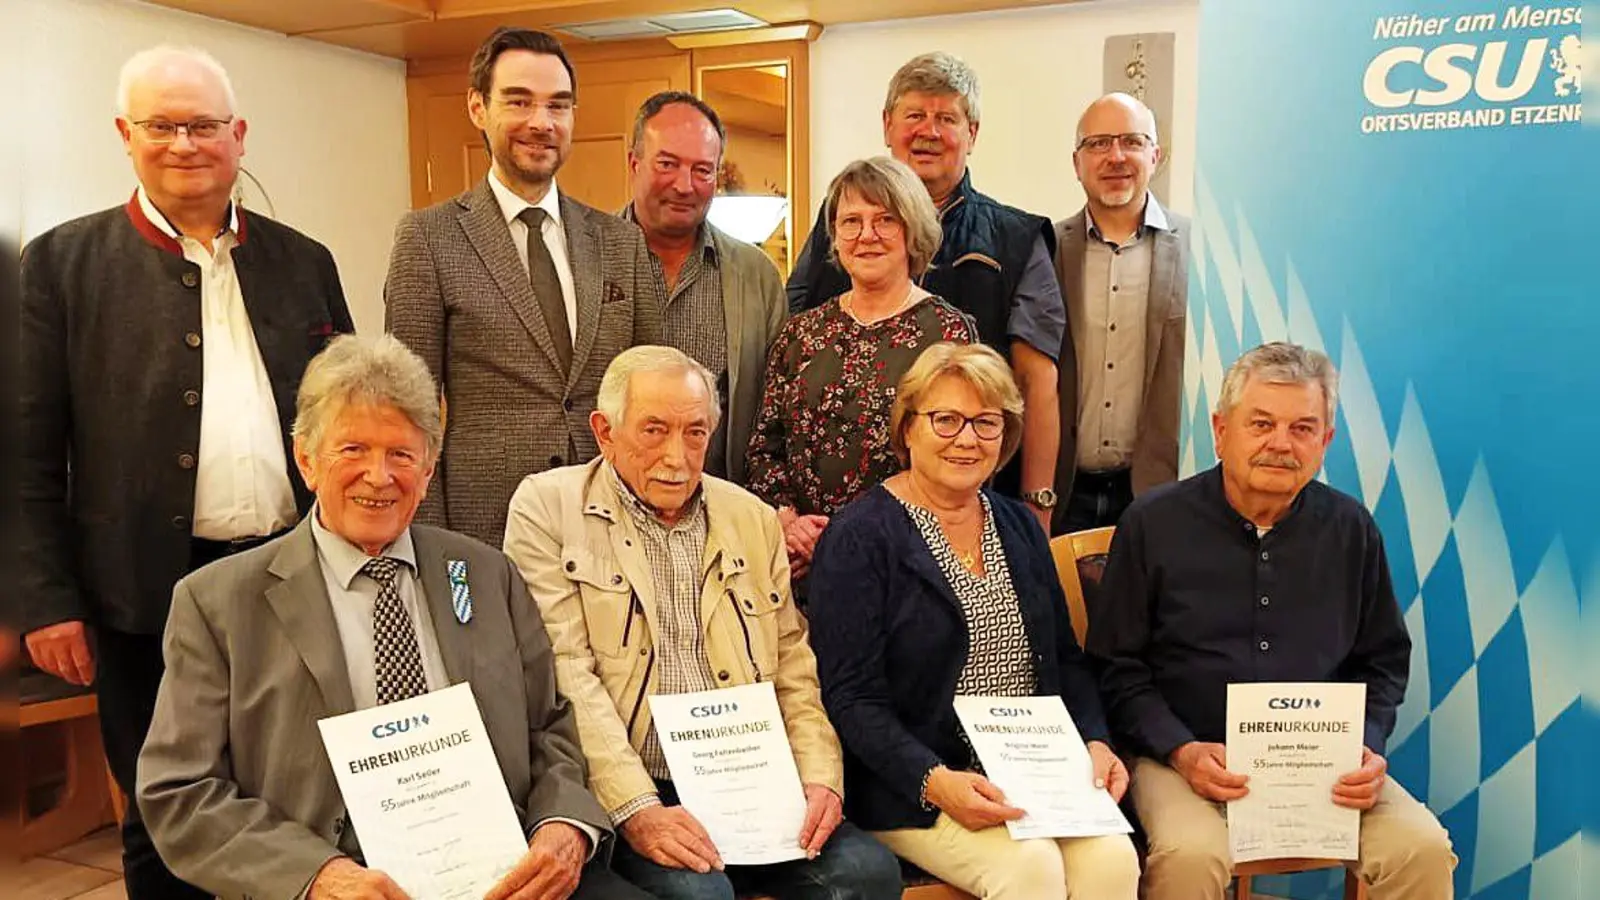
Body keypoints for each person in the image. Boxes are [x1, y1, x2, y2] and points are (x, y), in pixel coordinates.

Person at [137, 334, 649, 900]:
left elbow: (550, 727)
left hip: (507, 872)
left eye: (401, 455)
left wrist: (563, 826)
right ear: (306, 460)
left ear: (428, 471)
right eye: (353, 449)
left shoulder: (486, 574)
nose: (378, 476)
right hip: (331, 880)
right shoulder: (217, 603)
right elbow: (179, 790)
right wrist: (317, 877)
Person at [19, 45, 353, 899]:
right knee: (162, 807)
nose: (184, 143)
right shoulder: (61, 265)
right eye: (161, 125)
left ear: (238, 135)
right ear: (125, 134)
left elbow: (351, 418)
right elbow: (24, 450)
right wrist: (47, 602)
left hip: (289, 573)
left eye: (203, 125)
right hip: (142, 592)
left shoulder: (304, 260)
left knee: (302, 796)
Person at [502, 345, 903, 900]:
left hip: (751, 779)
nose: (677, 455)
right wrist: (636, 808)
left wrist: (820, 778)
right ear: (604, 432)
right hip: (637, 779)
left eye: (695, 433)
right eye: (654, 430)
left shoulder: (752, 518)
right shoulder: (548, 508)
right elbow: (567, 674)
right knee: (701, 895)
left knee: (868, 874)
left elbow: (793, 665)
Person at [1089, 342, 1456, 900]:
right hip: (1182, 757)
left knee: (1422, 849)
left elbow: (1382, 661)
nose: (1281, 444)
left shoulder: (1351, 529)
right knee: (1191, 856)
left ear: (1325, 441)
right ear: (1221, 430)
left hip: (1324, 766)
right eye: (1261, 424)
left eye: (1302, 428)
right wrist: (1181, 749)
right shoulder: (1152, 524)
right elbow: (1116, 666)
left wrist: (1365, 744)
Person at [806, 343, 1141, 899]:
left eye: (986, 422)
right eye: (946, 419)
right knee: (1031, 867)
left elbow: (1065, 660)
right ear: (908, 428)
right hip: (916, 784)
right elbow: (852, 699)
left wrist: (1095, 741)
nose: (967, 439)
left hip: (1038, 774)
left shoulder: (1019, 525)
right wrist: (936, 782)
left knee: (1113, 861)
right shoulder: (859, 537)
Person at [386, 26, 663, 547]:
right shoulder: (429, 238)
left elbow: (652, 390)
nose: (541, 122)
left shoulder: (620, 241)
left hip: (613, 523)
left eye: (558, 105)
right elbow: (407, 412)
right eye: (519, 101)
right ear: (478, 107)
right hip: (485, 529)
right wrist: (433, 545)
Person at [787, 52, 1063, 526]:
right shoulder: (836, 227)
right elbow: (792, 354)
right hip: (825, 524)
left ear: (972, 133)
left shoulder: (1016, 239)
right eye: (914, 115)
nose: (928, 131)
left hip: (964, 507)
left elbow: (1037, 383)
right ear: (887, 125)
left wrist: (1037, 509)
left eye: (946, 118)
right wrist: (791, 520)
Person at [746, 156, 977, 580]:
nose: (866, 235)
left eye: (885, 220)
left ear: (912, 230)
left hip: (902, 564)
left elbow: (960, 455)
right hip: (800, 565)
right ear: (835, 236)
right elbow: (765, 446)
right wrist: (790, 524)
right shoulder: (801, 333)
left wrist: (847, 541)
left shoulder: (948, 335)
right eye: (851, 221)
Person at [622, 92, 786, 485]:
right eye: (667, 164)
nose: (684, 185)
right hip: (605, 506)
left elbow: (776, 414)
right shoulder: (585, 259)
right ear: (634, 163)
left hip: (719, 505)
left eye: (702, 170)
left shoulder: (756, 277)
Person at [1052, 92, 1188, 534]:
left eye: (1131, 141)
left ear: (1155, 155)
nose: (1115, 157)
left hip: (1162, 491)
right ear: (1076, 163)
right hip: (1063, 491)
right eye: (1098, 143)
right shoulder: (1044, 248)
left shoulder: (1200, 249)